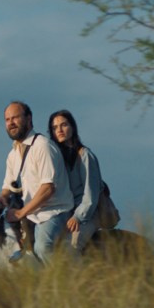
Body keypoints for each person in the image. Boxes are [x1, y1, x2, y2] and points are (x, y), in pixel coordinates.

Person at [0, 101, 73, 263]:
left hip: (53, 212)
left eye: (15, 117)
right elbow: (7, 188)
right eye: (7, 119)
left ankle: (64, 278)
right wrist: (0, 200)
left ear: (28, 118)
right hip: (30, 215)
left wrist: (20, 213)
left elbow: (48, 189)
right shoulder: (12, 155)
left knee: (43, 247)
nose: (11, 123)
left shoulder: (42, 146)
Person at [49, 109, 103, 254]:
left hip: (87, 214)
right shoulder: (57, 160)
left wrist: (78, 217)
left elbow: (90, 195)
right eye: (54, 127)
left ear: (72, 127)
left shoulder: (85, 155)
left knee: (69, 248)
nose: (59, 130)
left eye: (64, 125)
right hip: (66, 213)